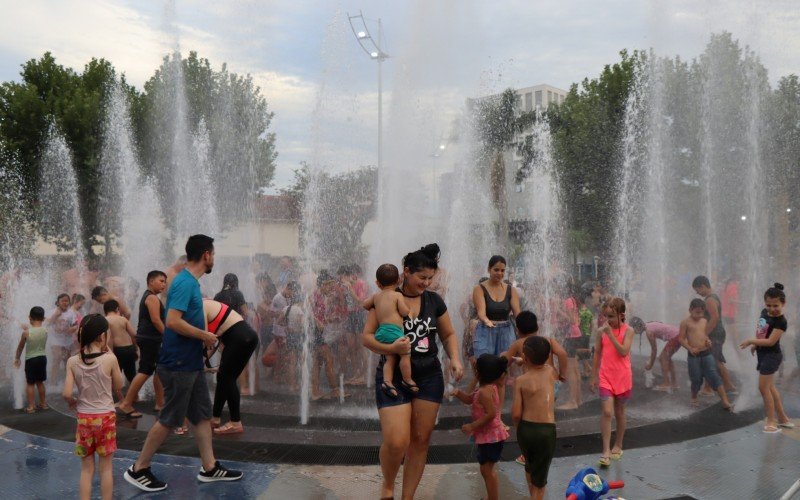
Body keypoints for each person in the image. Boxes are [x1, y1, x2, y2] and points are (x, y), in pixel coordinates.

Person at [124, 235, 242, 492]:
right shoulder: (184, 283)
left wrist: (201, 342)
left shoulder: (190, 283)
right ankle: (139, 468)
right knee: (170, 418)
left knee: (200, 415)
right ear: (206, 255)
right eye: (213, 253)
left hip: (190, 362)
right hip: (178, 363)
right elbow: (173, 321)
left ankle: (210, 467)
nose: (214, 258)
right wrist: (204, 336)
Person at [362, 243, 464, 500]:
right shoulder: (385, 298)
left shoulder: (434, 301)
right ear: (405, 272)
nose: (426, 283)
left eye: (430, 278)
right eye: (422, 277)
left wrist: (455, 358)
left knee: (420, 440)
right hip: (393, 376)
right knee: (397, 441)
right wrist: (391, 346)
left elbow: (448, 333)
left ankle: (407, 497)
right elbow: (367, 338)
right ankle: (387, 484)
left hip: (429, 376)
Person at [62, 314, 123, 500]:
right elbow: (119, 386)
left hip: (84, 419)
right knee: (106, 469)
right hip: (105, 418)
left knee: (86, 469)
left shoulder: (73, 361)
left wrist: (73, 402)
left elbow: (66, 393)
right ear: (101, 336)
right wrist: (110, 352)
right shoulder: (110, 359)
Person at [451, 354, 509, 500]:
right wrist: (458, 393)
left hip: (491, 436)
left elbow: (491, 414)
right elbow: (470, 399)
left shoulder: (484, 391)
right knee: (485, 469)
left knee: (487, 471)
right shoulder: (485, 388)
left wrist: (472, 426)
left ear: (477, 373)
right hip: (488, 435)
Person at [740, 283, 794, 433]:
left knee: (763, 388)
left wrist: (751, 341)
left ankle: (771, 421)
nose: (772, 308)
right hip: (763, 354)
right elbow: (762, 333)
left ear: (783, 303)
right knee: (770, 387)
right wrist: (756, 345)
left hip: (772, 356)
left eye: (775, 305)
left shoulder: (781, 321)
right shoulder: (764, 312)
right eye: (768, 305)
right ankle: (783, 419)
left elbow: (771, 341)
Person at [512, 336, 558, 500]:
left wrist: (518, 429)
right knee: (540, 483)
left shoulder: (520, 381)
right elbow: (543, 366)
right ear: (547, 357)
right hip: (545, 432)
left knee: (530, 467)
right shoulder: (551, 372)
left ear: (525, 357)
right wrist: (525, 360)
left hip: (525, 430)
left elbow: (516, 413)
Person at [590, 297, 634, 467]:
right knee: (607, 412)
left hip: (623, 377)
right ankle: (606, 450)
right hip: (606, 376)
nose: (608, 320)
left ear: (621, 315)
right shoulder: (602, 332)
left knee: (620, 411)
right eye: (606, 316)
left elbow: (623, 351)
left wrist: (610, 335)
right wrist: (594, 376)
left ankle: (619, 444)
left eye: (611, 317)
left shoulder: (628, 331)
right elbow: (597, 354)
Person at [204, 299, 259, 434]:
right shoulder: (207, 305)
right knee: (223, 377)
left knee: (227, 378)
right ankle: (215, 418)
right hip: (246, 337)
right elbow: (212, 343)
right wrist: (203, 361)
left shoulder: (200, 306)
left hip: (240, 339)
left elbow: (205, 339)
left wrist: (197, 362)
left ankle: (235, 422)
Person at [117, 271, 167, 418]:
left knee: (158, 369)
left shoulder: (150, 296)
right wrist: (168, 336)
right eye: (161, 281)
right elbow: (156, 320)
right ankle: (126, 403)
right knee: (145, 370)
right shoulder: (151, 297)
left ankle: (160, 403)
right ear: (151, 281)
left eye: (165, 281)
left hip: (149, 338)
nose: (164, 284)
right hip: (150, 338)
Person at [364, 263, 413, 397]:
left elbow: (365, 305)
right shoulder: (397, 296)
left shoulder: (376, 296)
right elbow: (403, 312)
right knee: (404, 354)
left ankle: (387, 381)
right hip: (395, 332)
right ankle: (407, 379)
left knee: (389, 358)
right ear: (398, 280)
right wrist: (408, 310)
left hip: (381, 332)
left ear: (378, 283)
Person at [678, 300, 733, 410]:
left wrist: (708, 341)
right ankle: (694, 396)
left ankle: (725, 401)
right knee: (696, 379)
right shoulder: (685, 322)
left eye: (701, 313)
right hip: (694, 356)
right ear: (690, 310)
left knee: (714, 376)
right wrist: (690, 348)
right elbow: (681, 338)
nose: (699, 315)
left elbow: (704, 335)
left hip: (706, 353)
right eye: (696, 312)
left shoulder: (704, 321)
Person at [692, 276, 736, 393]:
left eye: (697, 290)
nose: (697, 292)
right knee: (710, 360)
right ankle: (708, 387)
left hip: (715, 334)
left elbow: (715, 318)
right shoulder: (712, 297)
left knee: (715, 361)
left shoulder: (710, 300)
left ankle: (729, 385)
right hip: (716, 333)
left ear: (703, 286)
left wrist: (704, 333)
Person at [472, 256, 521, 358]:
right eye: (496, 270)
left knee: (504, 367)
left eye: (502, 270)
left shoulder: (511, 290)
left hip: (506, 332)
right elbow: (481, 313)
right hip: (485, 331)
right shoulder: (479, 289)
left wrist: (527, 330)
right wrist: (488, 322)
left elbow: (518, 314)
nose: (500, 273)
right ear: (489, 269)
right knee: (485, 366)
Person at [631, 317, 681, 392]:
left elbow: (654, 350)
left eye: (634, 329)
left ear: (638, 326)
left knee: (662, 358)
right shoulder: (648, 324)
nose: (634, 331)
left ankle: (666, 384)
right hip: (678, 334)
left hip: (676, 337)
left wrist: (650, 364)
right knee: (667, 358)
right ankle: (674, 384)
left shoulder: (649, 332)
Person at [14, 306, 49, 413]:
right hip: (42, 358)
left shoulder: (26, 333)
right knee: (40, 382)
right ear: (43, 318)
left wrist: (17, 358)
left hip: (31, 360)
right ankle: (43, 404)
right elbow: (36, 330)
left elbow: (20, 347)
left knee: (30, 383)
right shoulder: (45, 330)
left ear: (29, 317)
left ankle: (31, 406)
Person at [557, 284, 583, 411]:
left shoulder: (567, 301)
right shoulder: (572, 299)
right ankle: (578, 398)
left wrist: (558, 310)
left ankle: (572, 401)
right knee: (575, 367)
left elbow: (571, 320)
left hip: (570, 335)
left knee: (571, 368)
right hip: (575, 334)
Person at [104, 299, 138, 387]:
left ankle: (115, 396)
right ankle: (135, 396)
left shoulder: (105, 320)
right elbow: (134, 335)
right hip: (129, 348)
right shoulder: (123, 319)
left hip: (117, 350)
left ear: (105, 311)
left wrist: (109, 353)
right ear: (117, 309)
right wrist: (135, 349)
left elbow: (109, 339)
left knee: (115, 375)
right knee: (131, 375)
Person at [47, 293, 78, 381]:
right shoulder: (52, 312)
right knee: (57, 358)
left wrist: (71, 329)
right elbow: (47, 324)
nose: (65, 303)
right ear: (58, 302)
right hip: (55, 340)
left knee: (67, 361)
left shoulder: (71, 313)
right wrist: (55, 316)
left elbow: (76, 325)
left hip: (67, 340)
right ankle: (52, 383)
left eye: (67, 301)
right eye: (63, 301)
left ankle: (68, 381)